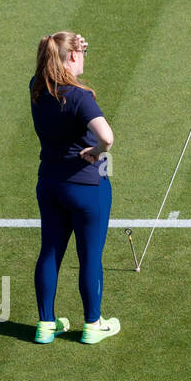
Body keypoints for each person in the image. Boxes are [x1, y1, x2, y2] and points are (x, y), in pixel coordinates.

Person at [29, 32, 120, 344]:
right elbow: (106, 137)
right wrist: (97, 151)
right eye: (79, 53)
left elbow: (51, 58)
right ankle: (93, 325)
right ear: (70, 58)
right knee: (90, 257)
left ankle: (45, 325)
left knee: (50, 253)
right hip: (86, 186)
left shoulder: (36, 87)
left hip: (50, 184)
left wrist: (68, 45)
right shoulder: (81, 98)